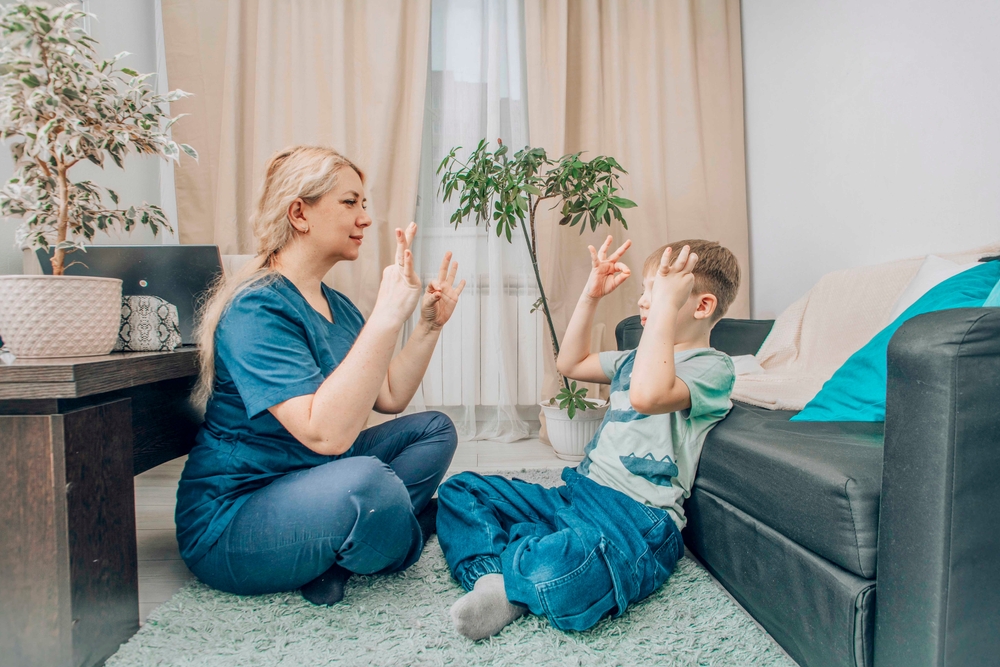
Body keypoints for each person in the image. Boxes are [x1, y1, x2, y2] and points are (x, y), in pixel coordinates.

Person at [175, 146, 466, 606]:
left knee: (435, 430)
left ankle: (334, 555)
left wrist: (428, 325)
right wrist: (388, 317)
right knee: (368, 484)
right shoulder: (256, 306)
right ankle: (408, 531)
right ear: (299, 213)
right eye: (350, 203)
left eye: (364, 205)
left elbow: (389, 395)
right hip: (233, 518)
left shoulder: (338, 306)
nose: (365, 218)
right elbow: (325, 435)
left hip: (313, 477)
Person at [436, 237, 740, 638]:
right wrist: (590, 295)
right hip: (579, 494)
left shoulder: (712, 368)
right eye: (647, 292)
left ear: (701, 306)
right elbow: (571, 362)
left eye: (660, 293)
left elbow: (649, 395)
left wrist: (665, 307)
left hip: (638, 517)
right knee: (460, 490)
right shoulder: (633, 358)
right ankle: (494, 579)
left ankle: (523, 558)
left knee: (566, 575)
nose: (645, 302)